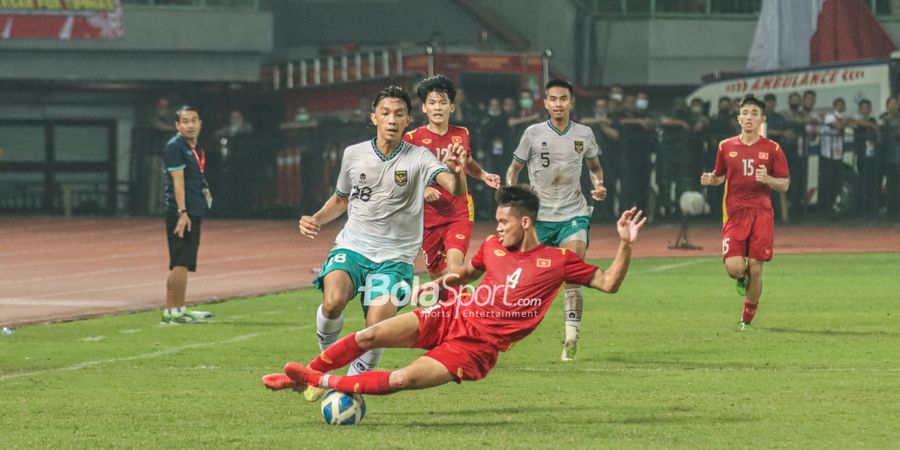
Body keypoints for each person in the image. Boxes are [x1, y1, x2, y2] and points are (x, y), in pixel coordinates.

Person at [262, 186, 646, 396]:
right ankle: (304, 376)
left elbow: (609, 283)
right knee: (370, 334)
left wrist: (625, 244)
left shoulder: (558, 261)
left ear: (526, 223)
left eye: (503, 222)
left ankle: (316, 381)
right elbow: (467, 273)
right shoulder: (493, 247)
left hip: (475, 348)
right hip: (452, 314)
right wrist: (440, 282)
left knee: (402, 380)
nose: (497, 229)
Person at [296, 85, 468, 402]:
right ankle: (325, 372)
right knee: (333, 301)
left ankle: (352, 386)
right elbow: (340, 199)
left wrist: (458, 173)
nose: (391, 119)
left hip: (395, 258)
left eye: (399, 114)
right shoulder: (354, 154)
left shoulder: (419, 157)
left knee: (377, 326)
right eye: (385, 113)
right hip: (353, 247)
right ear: (373, 117)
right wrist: (317, 219)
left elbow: (453, 187)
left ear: (407, 122)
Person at [505, 79, 607, 361]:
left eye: (564, 98)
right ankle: (508, 332)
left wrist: (598, 185)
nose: (559, 103)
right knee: (526, 281)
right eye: (553, 99)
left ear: (571, 102)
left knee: (572, 274)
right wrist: (513, 198)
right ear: (546, 103)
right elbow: (513, 170)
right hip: (540, 217)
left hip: (574, 214)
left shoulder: (584, 133)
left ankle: (571, 338)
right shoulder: (532, 133)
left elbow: (595, 167)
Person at [700, 94, 790, 330]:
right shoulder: (726, 146)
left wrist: (768, 179)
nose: (749, 117)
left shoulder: (773, 149)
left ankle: (747, 319)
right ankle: (742, 278)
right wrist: (712, 179)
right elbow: (719, 176)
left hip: (761, 214)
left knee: (757, 268)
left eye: (754, 114)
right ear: (739, 118)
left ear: (762, 119)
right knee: (735, 268)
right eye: (746, 113)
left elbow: (785, 183)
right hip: (734, 214)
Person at [403, 75, 501, 282]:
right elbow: (401, 177)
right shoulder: (412, 139)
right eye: (432, 103)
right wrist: (422, 190)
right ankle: (448, 310)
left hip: (459, 211)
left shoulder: (462, 134)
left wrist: (483, 175)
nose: (437, 107)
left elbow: (469, 162)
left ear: (452, 107)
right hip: (428, 217)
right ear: (424, 108)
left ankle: (464, 310)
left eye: (443, 102)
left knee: (454, 269)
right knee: (437, 277)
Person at [161, 105, 214, 324]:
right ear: (177, 125)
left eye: (193, 120)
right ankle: (172, 311)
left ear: (200, 123)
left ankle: (180, 307)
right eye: (185, 121)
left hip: (193, 209)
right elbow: (177, 182)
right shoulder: (175, 147)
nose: (190, 125)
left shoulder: (195, 147)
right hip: (182, 211)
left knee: (184, 261)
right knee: (180, 261)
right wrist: (182, 212)